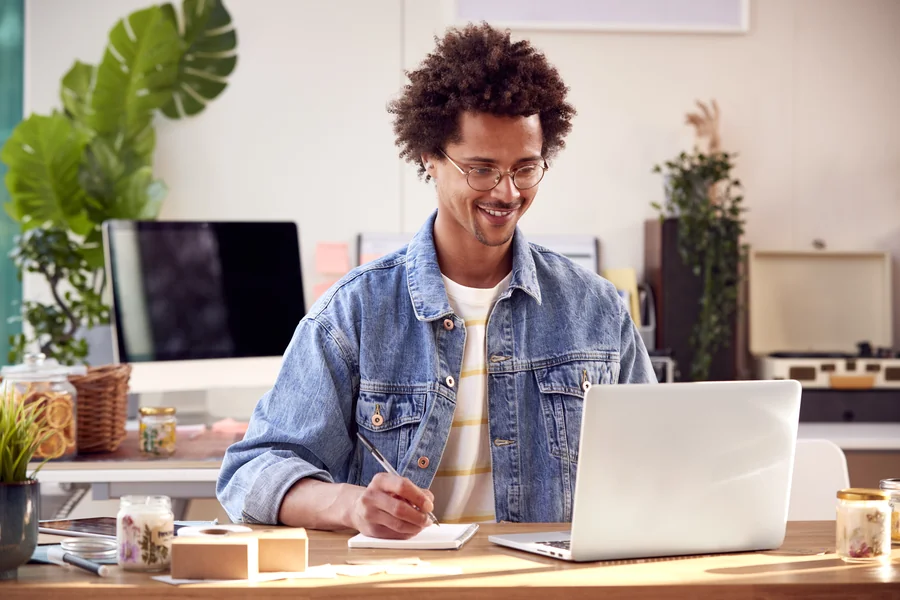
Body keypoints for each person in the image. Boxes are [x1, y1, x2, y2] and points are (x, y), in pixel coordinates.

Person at [217, 22, 656, 539]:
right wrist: (353, 505)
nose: (507, 192)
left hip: (548, 586)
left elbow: (655, 461)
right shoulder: (356, 312)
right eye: (481, 168)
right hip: (406, 584)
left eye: (526, 168)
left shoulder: (597, 310)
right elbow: (253, 472)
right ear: (430, 156)